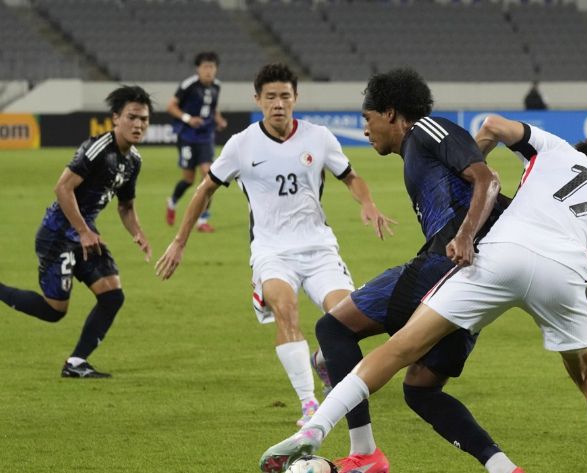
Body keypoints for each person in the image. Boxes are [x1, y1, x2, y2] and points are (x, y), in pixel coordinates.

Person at [260, 115, 587, 473]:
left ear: (581, 154)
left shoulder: (559, 151)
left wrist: (467, 162)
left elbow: (493, 125)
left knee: (400, 348)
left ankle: (316, 429)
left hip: (500, 254)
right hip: (564, 271)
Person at [265, 68, 516, 473]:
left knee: (334, 327)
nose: (366, 130)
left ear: (392, 113)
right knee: (421, 389)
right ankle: (503, 467)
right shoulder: (419, 152)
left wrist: (466, 236)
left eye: (368, 119)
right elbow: (488, 192)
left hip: (445, 265)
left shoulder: (426, 130)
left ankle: (364, 454)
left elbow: (486, 180)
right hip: (473, 286)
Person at [155, 63, 394, 426]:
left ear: (295, 97)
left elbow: (351, 177)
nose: (278, 103)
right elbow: (204, 190)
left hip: (319, 249)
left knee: (349, 319)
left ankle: (322, 361)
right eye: (270, 97)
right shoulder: (241, 144)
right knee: (286, 308)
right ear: (258, 100)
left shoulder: (318, 137)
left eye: (285, 96)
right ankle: (309, 403)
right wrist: (178, 242)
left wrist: (368, 203)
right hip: (272, 251)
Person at [0, 85, 153, 378]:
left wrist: (138, 233)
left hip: (85, 235)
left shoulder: (134, 160)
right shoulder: (98, 148)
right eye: (132, 117)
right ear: (116, 118)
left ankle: (76, 364)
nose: (138, 124)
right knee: (54, 311)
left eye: (144, 119)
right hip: (58, 234)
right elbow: (62, 188)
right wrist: (83, 231)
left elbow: (126, 205)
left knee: (112, 296)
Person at [166, 51, 228, 233]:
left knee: (209, 176)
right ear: (198, 69)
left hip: (206, 136)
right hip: (187, 136)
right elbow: (170, 106)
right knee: (188, 179)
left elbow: (213, 108)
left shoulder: (217, 86)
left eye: (212, 67)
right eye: (205, 67)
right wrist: (188, 118)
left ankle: (202, 220)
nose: (209, 71)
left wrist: (219, 119)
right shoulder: (189, 85)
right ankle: (172, 202)